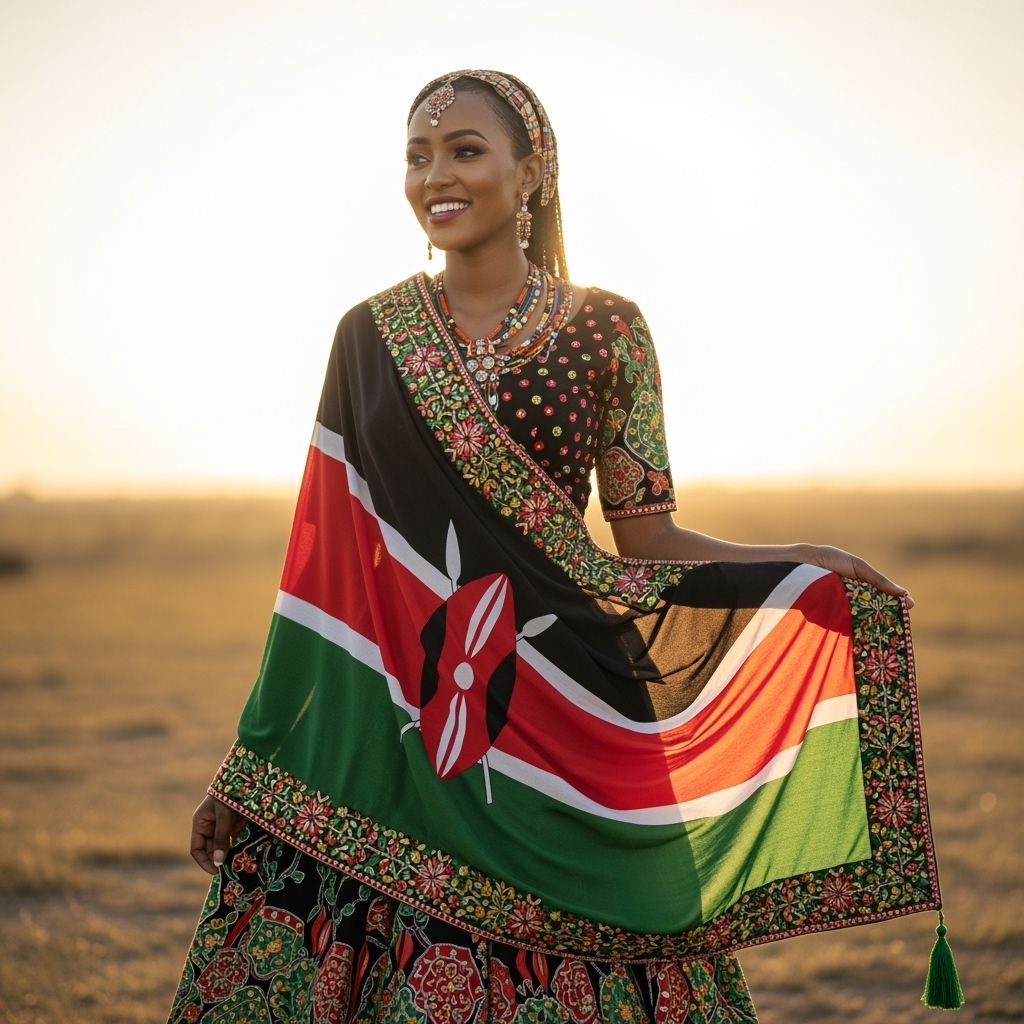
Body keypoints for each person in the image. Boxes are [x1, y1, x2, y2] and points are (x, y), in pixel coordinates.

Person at [167, 70, 928, 1024]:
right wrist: (253, 761)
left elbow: (646, 538)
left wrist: (794, 566)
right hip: (401, 730)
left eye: (465, 150)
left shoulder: (608, 330)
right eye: (417, 156)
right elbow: (321, 574)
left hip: (566, 703)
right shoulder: (366, 339)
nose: (436, 175)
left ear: (531, 173)